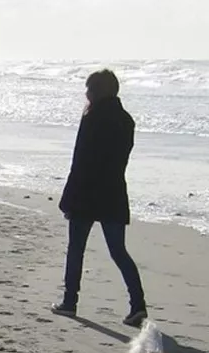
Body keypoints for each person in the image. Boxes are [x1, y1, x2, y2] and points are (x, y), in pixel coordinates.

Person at [52, 68, 148, 327]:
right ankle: (138, 305)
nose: (86, 94)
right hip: (114, 192)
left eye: (89, 89)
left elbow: (81, 160)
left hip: (86, 192)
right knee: (119, 252)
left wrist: (68, 198)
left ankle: (70, 302)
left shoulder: (92, 117)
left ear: (96, 91)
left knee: (76, 249)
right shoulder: (126, 120)